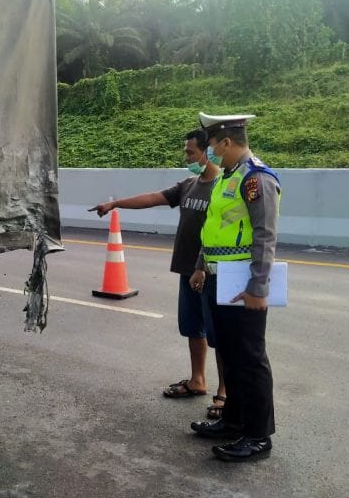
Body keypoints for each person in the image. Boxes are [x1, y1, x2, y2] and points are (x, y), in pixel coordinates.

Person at [90, 130, 226, 418]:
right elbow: (153, 197)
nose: (187, 157)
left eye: (190, 152)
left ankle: (224, 395)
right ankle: (197, 380)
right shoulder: (189, 185)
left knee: (220, 335)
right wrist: (115, 204)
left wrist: (204, 267)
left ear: (207, 151)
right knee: (193, 328)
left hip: (212, 271)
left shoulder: (222, 186)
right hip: (187, 269)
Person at [188, 112, 281, 462]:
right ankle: (233, 421)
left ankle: (258, 436)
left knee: (250, 359)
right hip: (218, 277)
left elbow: (265, 235)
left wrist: (258, 286)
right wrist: (200, 267)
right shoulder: (229, 178)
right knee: (229, 353)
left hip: (243, 281)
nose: (209, 152)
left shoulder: (257, 178)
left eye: (212, 145)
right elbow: (214, 229)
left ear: (227, 141)